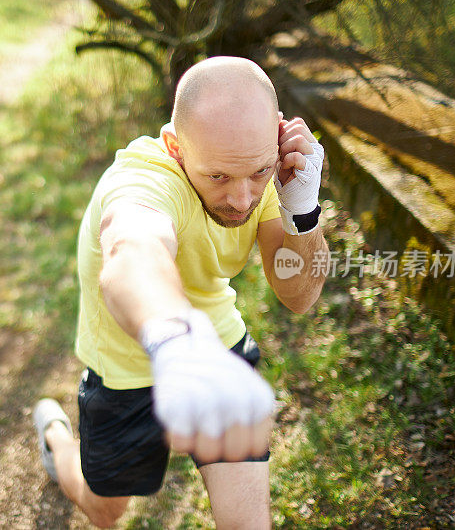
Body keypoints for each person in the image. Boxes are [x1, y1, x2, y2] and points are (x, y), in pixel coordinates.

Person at [33, 56, 329, 529]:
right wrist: (175, 340)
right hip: (130, 361)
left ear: (275, 138)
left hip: (216, 346)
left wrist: (304, 211)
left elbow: (299, 295)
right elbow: (133, 251)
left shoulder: (265, 173)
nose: (242, 198)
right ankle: (56, 441)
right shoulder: (144, 179)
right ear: (175, 146)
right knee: (105, 510)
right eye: (218, 177)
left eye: (258, 172)